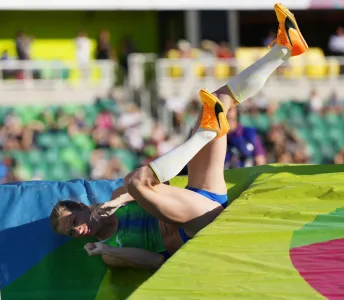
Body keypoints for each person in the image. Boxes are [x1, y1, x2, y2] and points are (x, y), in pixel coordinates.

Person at [50, 3, 308, 269]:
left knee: (219, 100)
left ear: (82, 207)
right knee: (137, 181)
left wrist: (118, 201)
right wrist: (108, 250)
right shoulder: (106, 253)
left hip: (201, 197)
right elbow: (156, 261)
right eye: (70, 232)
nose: (77, 230)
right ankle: (205, 135)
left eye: (73, 222)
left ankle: (285, 48)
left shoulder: (116, 196)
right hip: (193, 228)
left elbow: (145, 191)